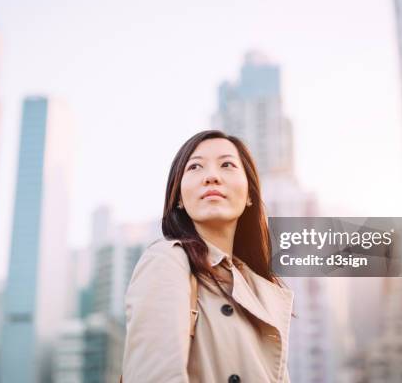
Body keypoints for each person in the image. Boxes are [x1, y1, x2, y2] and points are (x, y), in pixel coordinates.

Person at [122, 130, 294, 382]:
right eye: (195, 167)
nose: (212, 177)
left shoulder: (261, 290)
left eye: (227, 164)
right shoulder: (167, 260)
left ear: (249, 195)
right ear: (179, 197)